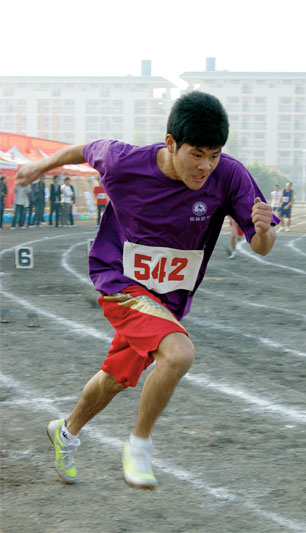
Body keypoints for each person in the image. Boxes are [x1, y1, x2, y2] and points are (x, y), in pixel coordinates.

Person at [15, 91, 279, 490]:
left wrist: (264, 231)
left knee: (115, 378)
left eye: (214, 155)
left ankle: (65, 431)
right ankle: (139, 445)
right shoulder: (124, 161)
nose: (205, 166)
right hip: (120, 281)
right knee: (178, 354)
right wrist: (39, 166)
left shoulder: (229, 175)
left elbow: (261, 246)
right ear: (170, 143)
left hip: (168, 299)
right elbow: (84, 150)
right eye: (196, 154)